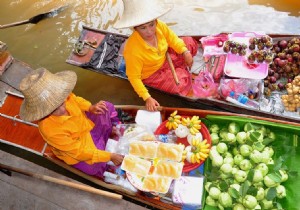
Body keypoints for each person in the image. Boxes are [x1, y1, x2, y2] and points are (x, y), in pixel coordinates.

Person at [18, 68, 124, 178]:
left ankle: (108, 133)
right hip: (77, 148)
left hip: (84, 124)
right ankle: (106, 138)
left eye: (62, 102)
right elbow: (78, 152)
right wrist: (109, 156)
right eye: (54, 109)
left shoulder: (62, 93)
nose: (62, 109)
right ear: (43, 112)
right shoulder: (49, 130)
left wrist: (90, 107)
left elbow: (76, 100)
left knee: (105, 107)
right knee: (94, 167)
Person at [114, 0, 198, 111]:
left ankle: (181, 68)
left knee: (189, 42)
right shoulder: (132, 50)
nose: (149, 31)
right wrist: (147, 98)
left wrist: (184, 51)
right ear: (135, 28)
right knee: (180, 85)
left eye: (151, 25)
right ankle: (181, 70)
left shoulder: (160, 26)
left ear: (155, 21)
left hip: (164, 56)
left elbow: (172, 39)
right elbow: (134, 78)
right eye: (143, 28)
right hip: (152, 74)